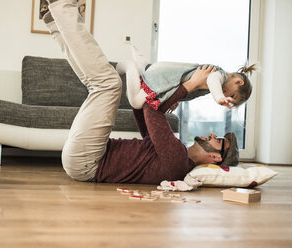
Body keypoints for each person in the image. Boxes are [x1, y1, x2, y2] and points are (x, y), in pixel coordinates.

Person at [43, 0, 239, 184]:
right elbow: (143, 112)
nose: (212, 134)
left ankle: (62, 5)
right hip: (88, 155)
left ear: (215, 157)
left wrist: (189, 86)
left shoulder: (178, 164)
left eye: (218, 139)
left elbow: (152, 110)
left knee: (107, 84)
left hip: (89, 161)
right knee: (98, 84)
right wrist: (167, 96)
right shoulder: (175, 153)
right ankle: (53, 18)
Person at [116, 45, 256, 111]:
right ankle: (130, 66)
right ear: (239, 81)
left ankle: (142, 65)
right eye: (231, 95)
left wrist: (175, 98)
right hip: (162, 77)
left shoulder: (215, 83)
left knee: (135, 93)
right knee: (135, 102)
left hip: (163, 79)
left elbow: (188, 87)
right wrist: (219, 97)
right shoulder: (218, 74)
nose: (226, 95)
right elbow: (212, 81)